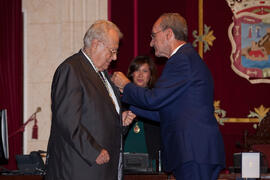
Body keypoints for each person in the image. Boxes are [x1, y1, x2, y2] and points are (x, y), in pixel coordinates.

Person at [112, 13, 225, 180]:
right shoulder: (186, 58)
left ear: (169, 34)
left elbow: (154, 99)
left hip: (193, 151)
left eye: (153, 36)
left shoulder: (181, 60)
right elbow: (165, 112)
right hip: (194, 152)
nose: (151, 43)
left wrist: (126, 85)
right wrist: (133, 109)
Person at [45, 20, 136, 180]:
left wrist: (119, 121)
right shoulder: (72, 69)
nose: (115, 57)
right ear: (96, 44)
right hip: (80, 168)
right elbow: (67, 120)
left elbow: (96, 118)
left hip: (102, 169)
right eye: (112, 51)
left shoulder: (103, 76)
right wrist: (93, 151)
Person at [123, 56, 161, 170]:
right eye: (137, 70)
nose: (140, 75)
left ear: (150, 75)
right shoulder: (121, 98)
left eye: (144, 71)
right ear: (131, 74)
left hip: (152, 156)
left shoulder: (157, 98)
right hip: (124, 157)